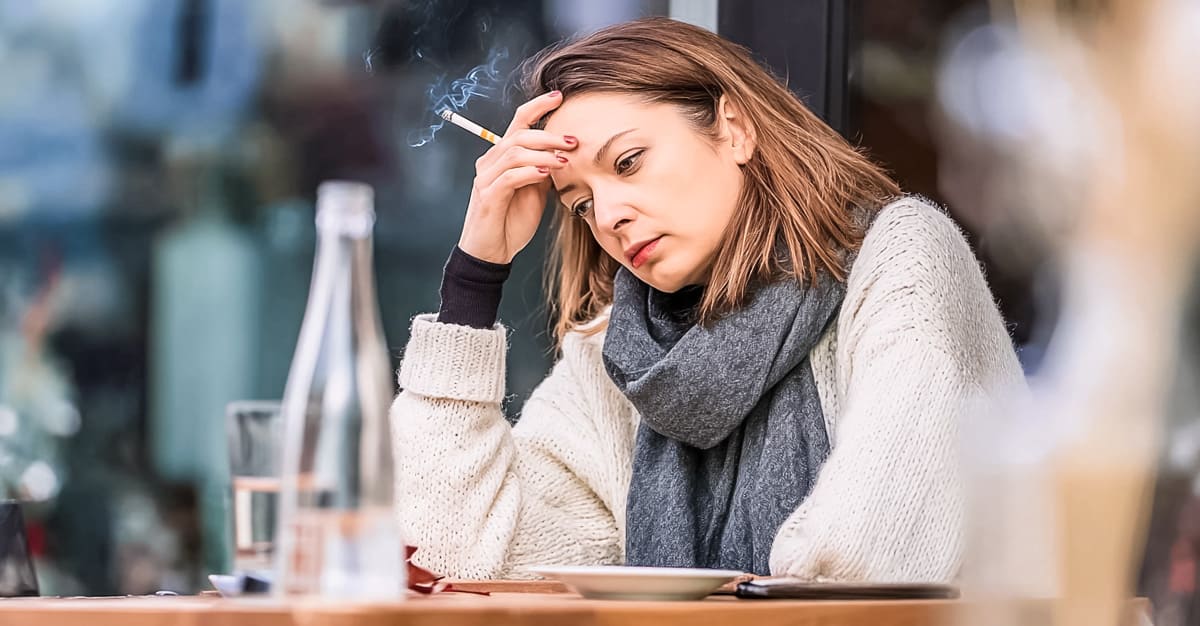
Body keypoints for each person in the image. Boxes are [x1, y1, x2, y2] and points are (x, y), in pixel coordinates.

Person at [391, 16, 1024, 582]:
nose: (608, 215)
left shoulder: (902, 260)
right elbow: (454, 553)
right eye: (580, 204)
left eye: (629, 162)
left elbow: (866, 554)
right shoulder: (620, 358)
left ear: (735, 129)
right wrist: (475, 278)